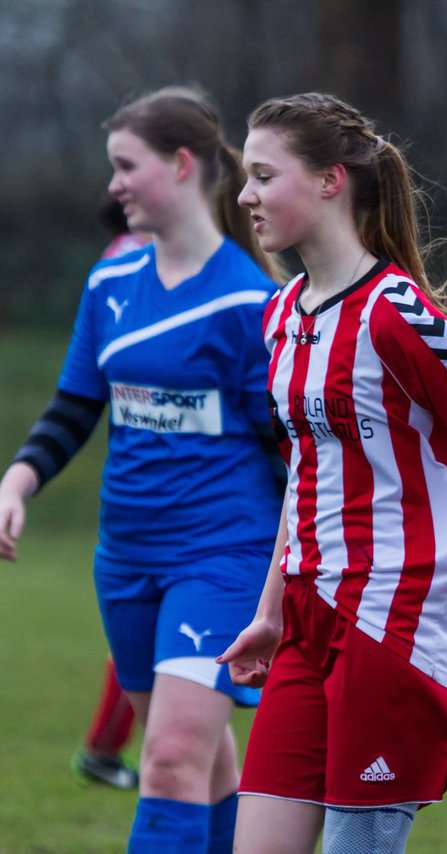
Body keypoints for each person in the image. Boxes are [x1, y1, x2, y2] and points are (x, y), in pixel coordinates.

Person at [217, 92, 447, 854]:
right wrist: (269, 608)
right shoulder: (285, 312)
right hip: (302, 618)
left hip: (386, 625)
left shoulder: (402, 316)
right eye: (244, 177)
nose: (245, 196)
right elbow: (308, 472)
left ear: (331, 181)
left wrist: (412, 522)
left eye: (264, 175)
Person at [0, 86, 285, 852]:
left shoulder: (250, 303)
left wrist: (290, 577)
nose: (114, 185)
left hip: (221, 553)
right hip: (123, 557)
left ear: (181, 165)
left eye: (126, 166)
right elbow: (74, 408)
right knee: (203, 758)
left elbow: (285, 452)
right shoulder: (109, 286)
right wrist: (16, 481)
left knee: (166, 759)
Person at [70, 199, 150, 792]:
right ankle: (102, 748)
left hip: (144, 474)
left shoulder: (114, 258)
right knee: (152, 638)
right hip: (161, 478)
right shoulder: (136, 260)